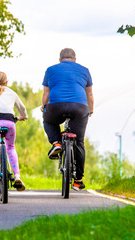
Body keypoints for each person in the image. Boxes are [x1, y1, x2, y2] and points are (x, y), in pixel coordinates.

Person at [41, 48, 94, 191]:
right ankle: (78, 181)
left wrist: (43, 107)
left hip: (56, 106)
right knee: (79, 142)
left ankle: (56, 142)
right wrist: (91, 110)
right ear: (74, 59)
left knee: (48, 120)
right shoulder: (84, 70)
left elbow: (46, 93)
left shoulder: (50, 70)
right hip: (79, 108)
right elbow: (89, 95)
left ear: (60, 60)